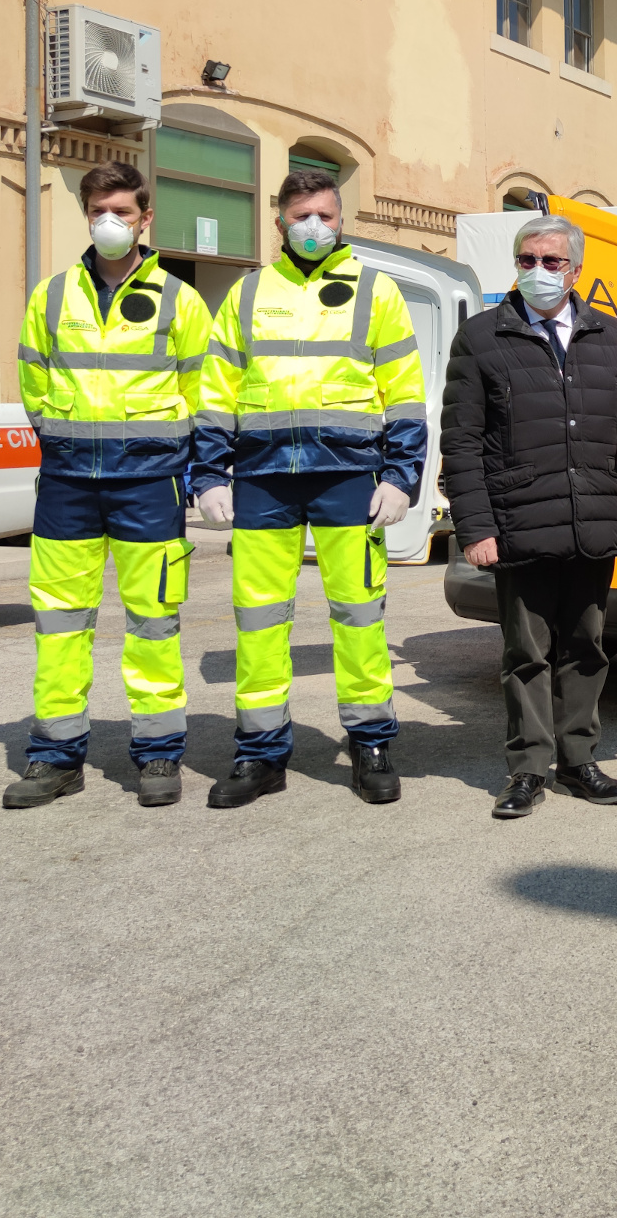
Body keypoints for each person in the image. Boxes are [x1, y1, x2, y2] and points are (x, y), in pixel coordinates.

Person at [190, 169, 427, 810]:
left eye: (324, 214)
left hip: (349, 475)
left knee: (359, 613)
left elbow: (405, 391)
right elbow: (214, 392)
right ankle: (260, 753)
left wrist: (403, 476)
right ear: (280, 223)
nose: (313, 226)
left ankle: (371, 744)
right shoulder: (244, 294)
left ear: (342, 218)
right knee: (260, 620)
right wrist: (209, 473)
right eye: (301, 216)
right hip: (264, 477)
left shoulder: (375, 292)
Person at [5, 161, 213, 810]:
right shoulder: (51, 297)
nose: (109, 221)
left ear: (145, 218)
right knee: (60, 627)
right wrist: (67, 444)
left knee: (153, 624)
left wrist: (198, 474)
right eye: (99, 209)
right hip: (68, 484)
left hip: (149, 486)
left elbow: (205, 398)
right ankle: (56, 758)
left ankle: (156, 755)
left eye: (122, 210)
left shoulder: (181, 300)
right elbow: (33, 386)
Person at [440, 214, 617, 818]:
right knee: (525, 653)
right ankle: (529, 769)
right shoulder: (483, 338)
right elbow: (460, 441)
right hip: (519, 519)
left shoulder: (609, 336)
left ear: (576, 270)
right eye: (527, 260)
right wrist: (475, 528)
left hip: (591, 514)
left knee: (587, 646)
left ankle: (580, 760)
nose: (538, 271)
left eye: (552, 262)